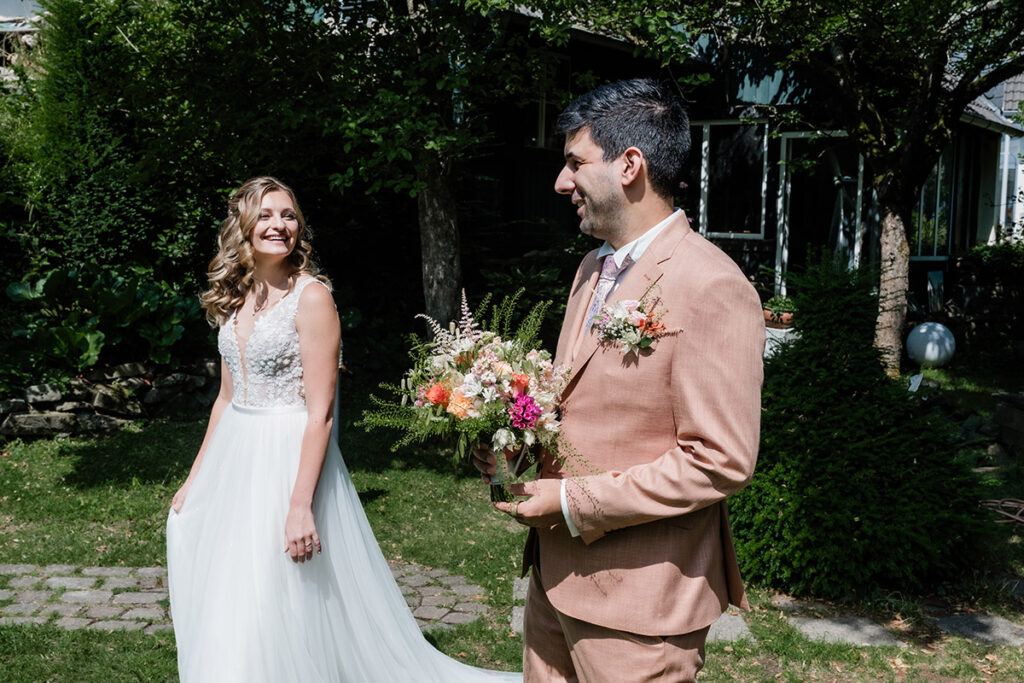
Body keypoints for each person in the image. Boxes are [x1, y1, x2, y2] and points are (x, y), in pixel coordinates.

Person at [166, 176, 520, 683]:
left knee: (283, 588)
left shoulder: (311, 298)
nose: (279, 225)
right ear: (242, 226)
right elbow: (226, 396)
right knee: (237, 581)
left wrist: (299, 505)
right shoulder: (237, 297)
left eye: (288, 215)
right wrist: (196, 477)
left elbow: (322, 413)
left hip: (288, 456)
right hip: (235, 456)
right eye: (265, 215)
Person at [478, 79, 764, 682]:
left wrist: (570, 502)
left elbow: (720, 460)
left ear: (629, 165)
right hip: (553, 581)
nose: (562, 183)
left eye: (575, 162)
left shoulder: (712, 284)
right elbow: (578, 402)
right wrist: (509, 444)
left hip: (640, 606)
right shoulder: (591, 267)